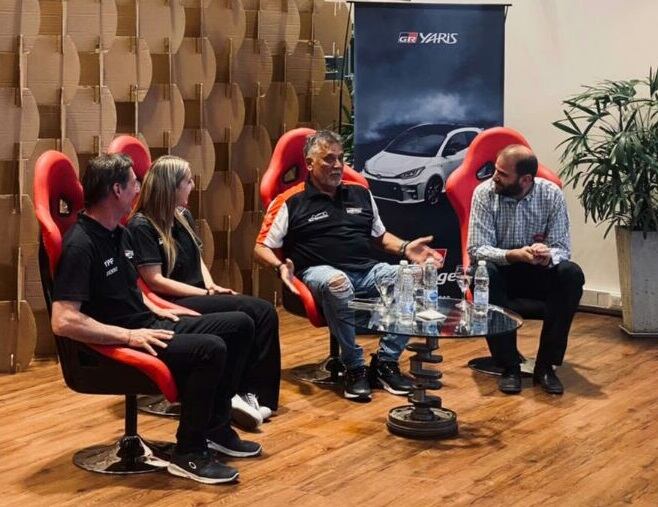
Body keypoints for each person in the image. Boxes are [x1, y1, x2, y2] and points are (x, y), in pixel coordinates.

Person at [51, 153, 262, 485]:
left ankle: (216, 427)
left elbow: (137, 286)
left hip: (147, 322)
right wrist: (130, 337)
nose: (140, 187)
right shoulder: (81, 244)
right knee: (211, 349)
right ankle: (189, 453)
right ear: (116, 189)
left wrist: (156, 304)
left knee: (240, 324)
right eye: (134, 181)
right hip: (122, 341)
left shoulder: (117, 233)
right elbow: (63, 321)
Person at [254, 130, 444, 401]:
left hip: (366, 271)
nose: (337, 166)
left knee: (414, 277)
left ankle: (385, 362)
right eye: (328, 159)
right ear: (309, 164)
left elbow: (380, 237)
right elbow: (260, 247)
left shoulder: (360, 194)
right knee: (338, 282)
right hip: (318, 272)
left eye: (340, 159)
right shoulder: (289, 200)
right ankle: (354, 366)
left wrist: (404, 247)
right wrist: (279, 266)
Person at [126, 155, 280, 430]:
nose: (192, 187)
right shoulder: (142, 225)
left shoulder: (182, 215)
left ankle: (258, 396)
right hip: (171, 299)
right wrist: (204, 295)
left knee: (265, 311)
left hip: (197, 292)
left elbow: (197, 257)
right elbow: (156, 280)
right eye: (186, 181)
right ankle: (236, 393)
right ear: (170, 187)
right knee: (251, 313)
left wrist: (210, 285)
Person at [467, 144, 585, 395]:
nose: (495, 177)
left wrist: (546, 255)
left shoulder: (551, 194)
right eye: (496, 170)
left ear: (526, 179)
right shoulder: (484, 193)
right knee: (484, 272)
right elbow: (476, 249)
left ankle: (545, 366)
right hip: (502, 270)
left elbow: (562, 248)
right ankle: (509, 365)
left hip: (537, 272)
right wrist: (513, 255)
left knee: (570, 273)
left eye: (502, 173)